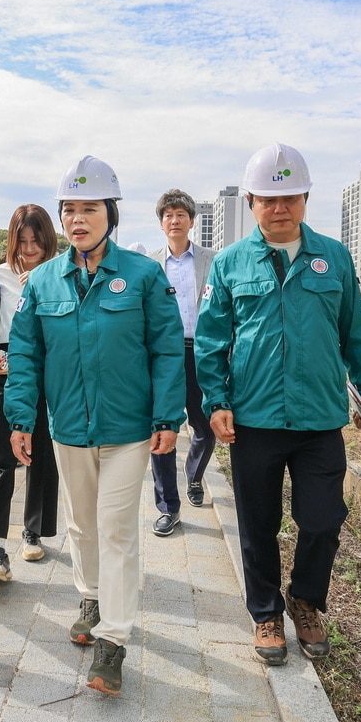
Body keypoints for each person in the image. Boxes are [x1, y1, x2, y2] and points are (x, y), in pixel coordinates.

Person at [195, 143, 361, 667]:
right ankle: (265, 614)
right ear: (252, 202)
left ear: (304, 198)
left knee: (322, 519)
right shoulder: (232, 262)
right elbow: (211, 340)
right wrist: (217, 401)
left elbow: (355, 329)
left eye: (290, 198)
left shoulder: (334, 257)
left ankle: (305, 601)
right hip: (253, 418)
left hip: (320, 418)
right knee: (257, 524)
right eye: (268, 199)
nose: (280, 208)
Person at [5, 155, 185, 696]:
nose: (78, 219)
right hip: (68, 428)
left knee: (116, 528)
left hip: (129, 429)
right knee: (82, 524)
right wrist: (21, 418)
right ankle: (91, 596)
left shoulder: (143, 275)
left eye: (89, 208)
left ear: (110, 212)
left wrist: (167, 417)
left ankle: (114, 638)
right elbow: (25, 353)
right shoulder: (41, 282)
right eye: (69, 210)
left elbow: (168, 350)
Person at [0, 204, 61, 583]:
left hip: (48, 368)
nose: (28, 248)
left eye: (36, 240)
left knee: (42, 453)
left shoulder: (63, 272)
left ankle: (33, 529)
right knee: (0, 456)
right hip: (5, 367)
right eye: (22, 241)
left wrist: (42, 286)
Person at [145, 189, 217, 536]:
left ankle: (195, 474)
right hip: (162, 356)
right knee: (161, 428)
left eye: (180, 215)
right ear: (161, 223)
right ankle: (168, 507)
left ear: (191, 221)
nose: (174, 221)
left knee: (204, 427)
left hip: (200, 352)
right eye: (168, 216)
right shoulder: (148, 265)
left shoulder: (212, 261)